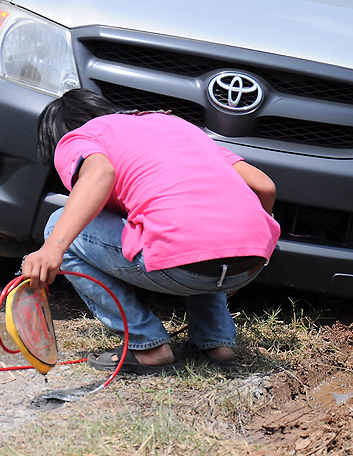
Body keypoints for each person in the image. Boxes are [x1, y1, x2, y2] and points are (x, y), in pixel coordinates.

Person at [21, 88, 280, 373]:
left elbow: (99, 173)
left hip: (185, 260)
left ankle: (147, 345)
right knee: (194, 223)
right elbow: (264, 186)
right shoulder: (176, 125)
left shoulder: (81, 136)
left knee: (59, 224)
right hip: (250, 262)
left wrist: (53, 249)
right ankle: (218, 342)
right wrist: (243, 261)